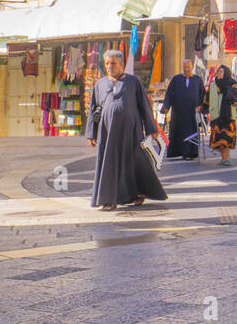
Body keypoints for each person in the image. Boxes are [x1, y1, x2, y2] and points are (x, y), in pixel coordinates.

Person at [85, 49, 168, 211]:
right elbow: (94, 110)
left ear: (122, 64)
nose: (109, 67)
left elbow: (144, 105)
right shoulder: (99, 84)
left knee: (135, 162)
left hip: (131, 131)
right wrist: (91, 133)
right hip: (107, 132)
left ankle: (138, 193)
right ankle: (109, 199)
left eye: (113, 63)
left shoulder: (133, 82)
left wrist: (151, 128)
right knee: (108, 164)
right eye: (107, 63)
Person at [204, 64, 237, 166]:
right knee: (219, 140)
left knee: (226, 139)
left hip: (228, 116)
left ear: (226, 73)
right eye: (218, 71)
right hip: (216, 116)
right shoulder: (213, 85)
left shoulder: (232, 84)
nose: (219, 73)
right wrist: (201, 107)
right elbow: (206, 100)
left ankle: (227, 159)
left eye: (221, 71)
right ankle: (224, 158)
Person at [161, 60, 205, 160]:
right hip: (179, 112)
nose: (186, 69)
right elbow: (169, 94)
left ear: (191, 67)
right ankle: (180, 152)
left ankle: (190, 154)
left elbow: (203, 95)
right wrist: (166, 107)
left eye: (188, 67)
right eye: (184, 67)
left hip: (192, 112)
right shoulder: (176, 79)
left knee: (191, 132)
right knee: (180, 133)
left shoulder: (197, 79)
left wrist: (202, 106)